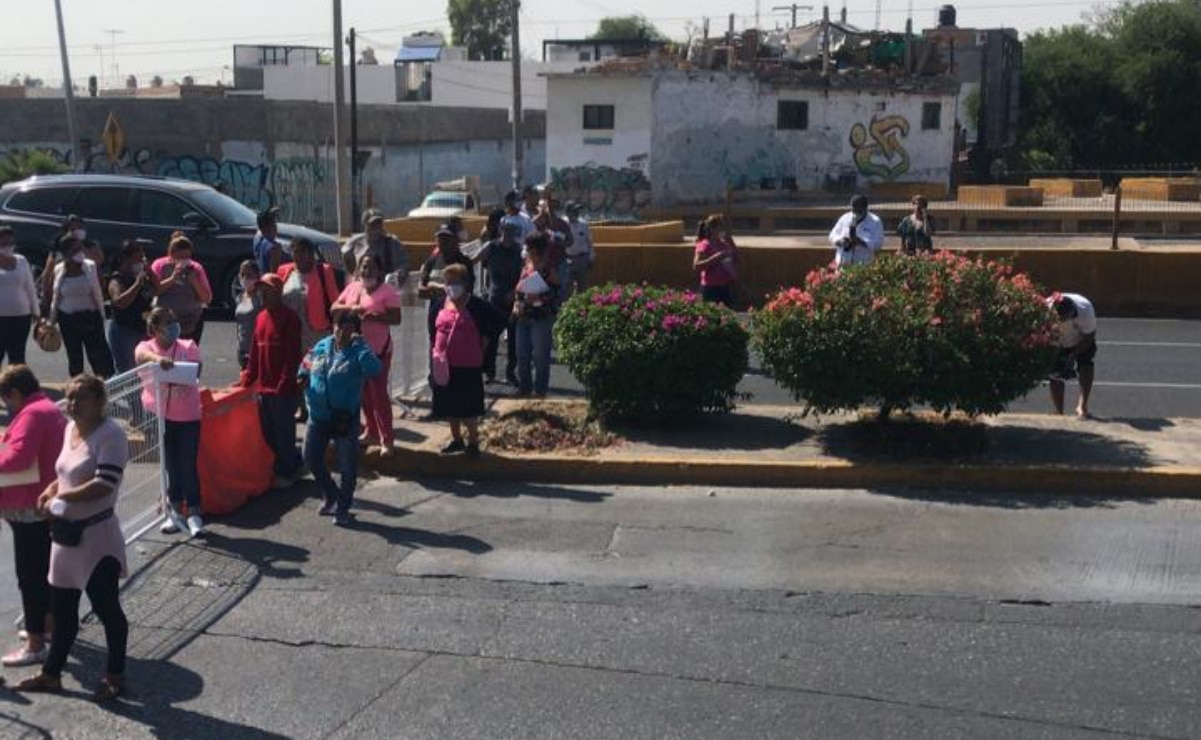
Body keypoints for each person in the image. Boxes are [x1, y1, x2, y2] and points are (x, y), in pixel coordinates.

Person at [15, 375, 129, 703]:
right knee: (62, 611)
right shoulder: (69, 429)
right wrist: (51, 490)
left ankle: (115, 674)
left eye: (80, 397)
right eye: (69, 397)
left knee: (108, 610)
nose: (73, 404)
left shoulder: (112, 434)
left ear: (99, 400)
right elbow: (65, 472)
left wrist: (63, 501)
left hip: (97, 539)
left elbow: (104, 482)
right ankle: (52, 673)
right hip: (66, 539)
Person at [0, 366, 66, 669]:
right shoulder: (47, 409)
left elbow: (18, 458)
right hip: (44, 503)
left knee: (30, 575)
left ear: (14, 394)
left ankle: (35, 642)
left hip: (29, 505)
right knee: (42, 570)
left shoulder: (31, 414)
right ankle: (47, 627)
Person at [299, 311, 381, 526]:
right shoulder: (322, 346)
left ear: (355, 331)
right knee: (310, 457)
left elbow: (375, 370)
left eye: (348, 327)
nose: (342, 330)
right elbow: (306, 363)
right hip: (318, 416)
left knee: (347, 466)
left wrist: (362, 347)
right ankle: (330, 494)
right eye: (338, 325)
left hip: (344, 418)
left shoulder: (359, 351)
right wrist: (302, 376)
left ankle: (343, 507)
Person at [135, 308, 204, 537]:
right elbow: (142, 357)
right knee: (170, 467)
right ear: (155, 329)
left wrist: (176, 369)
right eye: (167, 323)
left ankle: (194, 512)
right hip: (160, 416)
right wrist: (159, 360)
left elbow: (196, 371)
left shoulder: (188, 346)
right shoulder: (145, 348)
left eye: (174, 321)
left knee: (187, 466)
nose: (174, 325)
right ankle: (174, 512)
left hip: (188, 416)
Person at [237, 274, 306, 487]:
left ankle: (288, 471)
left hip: (282, 389)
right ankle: (290, 464)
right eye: (260, 291)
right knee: (268, 431)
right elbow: (255, 352)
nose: (262, 295)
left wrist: (285, 383)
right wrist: (248, 378)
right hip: (264, 387)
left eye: (266, 291)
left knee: (284, 431)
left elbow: (292, 355)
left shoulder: (290, 318)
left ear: (277, 292)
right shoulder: (261, 317)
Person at [432, 264, 506, 456]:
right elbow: (434, 327)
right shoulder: (441, 303)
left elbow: (499, 321)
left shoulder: (476, 305)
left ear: (466, 284)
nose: (452, 286)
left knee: (469, 406)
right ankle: (456, 440)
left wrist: (486, 340)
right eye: (448, 282)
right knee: (450, 404)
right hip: (445, 364)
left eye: (456, 282)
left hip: (468, 365)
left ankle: (473, 442)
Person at [332, 255, 402, 455]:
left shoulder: (388, 292)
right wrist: (352, 309)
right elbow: (334, 307)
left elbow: (396, 318)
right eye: (364, 267)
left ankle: (387, 440)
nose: (367, 271)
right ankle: (370, 431)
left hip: (378, 351)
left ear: (380, 271)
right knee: (363, 394)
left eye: (371, 267)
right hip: (354, 351)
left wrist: (375, 316)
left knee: (379, 395)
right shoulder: (354, 287)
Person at [278, 237, 340, 423]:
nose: (301, 257)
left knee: (317, 373)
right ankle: (302, 409)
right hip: (291, 333)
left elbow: (335, 302)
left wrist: (337, 330)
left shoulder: (323, 271)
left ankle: (321, 411)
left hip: (316, 333)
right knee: (296, 373)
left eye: (304, 252)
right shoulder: (285, 271)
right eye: (296, 252)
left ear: (311, 254)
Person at [50, 235, 114, 379]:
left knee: (98, 358)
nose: (80, 252)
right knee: (75, 360)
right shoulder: (59, 269)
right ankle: (78, 392)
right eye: (74, 250)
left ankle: (104, 389)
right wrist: (51, 321)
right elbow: (56, 296)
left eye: (80, 248)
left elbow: (100, 290)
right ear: (65, 254)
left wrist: (101, 314)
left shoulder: (90, 266)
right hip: (68, 320)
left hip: (91, 318)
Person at [475, 220, 524, 385]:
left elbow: (526, 273)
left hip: (513, 298)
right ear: (501, 230)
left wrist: (515, 291)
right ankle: (489, 372)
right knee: (491, 336)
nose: (509, 234)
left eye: (512, 231)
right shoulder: (491, 247)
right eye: (506, 230)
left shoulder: (519, 250)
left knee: (513, 338)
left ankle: (511, 373)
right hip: (495, 297)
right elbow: (472, 260)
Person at [513, 235, 561, 398]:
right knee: (522, 354)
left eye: (528, 248)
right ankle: (524, 388)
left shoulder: (548, 268)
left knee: (540, 356)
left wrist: (540, 298)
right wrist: (517, 304)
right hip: (523, 316)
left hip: (541, 317)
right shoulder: (526, 266)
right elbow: (519, 290)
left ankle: (540, 392)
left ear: (535, 249)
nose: (526, 250)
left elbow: (556, 292)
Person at [106, 240, 158, 374]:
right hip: (124, 330)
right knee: (126, 371)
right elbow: (120, 302)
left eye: (142, 258)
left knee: (142, 369)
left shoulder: (142, 276)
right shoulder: (117, 278)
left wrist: (149, 272)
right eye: (138, 258)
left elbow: (158, 289)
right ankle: (110, 392)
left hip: (142, 328)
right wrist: (137, 284)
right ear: (126, 259)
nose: (141, 261)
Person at [151, 233, 213, 343]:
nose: (184, 260)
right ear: (171, 254)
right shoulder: (160, 265)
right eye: (180, 257)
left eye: (187, 257)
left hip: (191, 322)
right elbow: (154, 291)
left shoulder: (196, 268)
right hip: (165, 322)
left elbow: (207, 298)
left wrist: (194, 281)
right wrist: (172, 279)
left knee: (188, 356)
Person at [418, 227, 475, 345]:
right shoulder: (432, 260)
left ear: (455, 241)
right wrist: (442, 288)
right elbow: (421, 291)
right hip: (435, 314)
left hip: (458, 317)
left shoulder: (464, 262)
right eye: (440, 239)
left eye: (446, 239)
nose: (443, 242)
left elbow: (467, 290)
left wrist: (434, 287)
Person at [1049, 292, 1098, 419]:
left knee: (1086, 363)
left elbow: (1089, 336)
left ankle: (1082, 405)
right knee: (1055, 373)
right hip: (1058, 340)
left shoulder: (1085, 309)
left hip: (1081, 338)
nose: (1062, 320)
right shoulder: (1045, 310)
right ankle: (1058, 411)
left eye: (1064, 318)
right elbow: (1047, 337)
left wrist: (1073, 355)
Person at [0, 224, 40, 367]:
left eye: (11, 243)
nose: (8, 246)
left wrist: (36, 312)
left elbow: (30, 288)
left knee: (17, 354)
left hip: (21, 316)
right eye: (4, 243)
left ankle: (17, 385)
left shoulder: (21, 260)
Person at [341, 210, 409, 286]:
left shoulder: (392, 242)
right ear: (365, 225)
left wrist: (398, 275)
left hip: (384, 286)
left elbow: (403, 265)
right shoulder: (356, 241)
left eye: (379, 224)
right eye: (372, 225)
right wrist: (353, 273)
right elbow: (345, 253)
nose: (376, 228)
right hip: (360, 285)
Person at [692, 215, 739, 307]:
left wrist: (733, 245)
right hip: (710, 289)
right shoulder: (705, 245)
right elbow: (696, 266)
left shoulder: (725, 244)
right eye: (720, 226)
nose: (723, 230)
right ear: (712, 228)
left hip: (725, 288)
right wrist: (717, 257)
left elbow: (736, 261)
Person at [829, 194, 884, 268]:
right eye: (853, 209)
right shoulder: (845, 218)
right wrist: (840, 241)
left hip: (862, 266)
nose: (855, 213)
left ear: (865, 208)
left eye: (859, 210)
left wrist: (861, 242)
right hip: (843, 264)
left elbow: (878, 244)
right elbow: (832, 235)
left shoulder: (875, 221)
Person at [234, 260, 264, 370]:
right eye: (243, 274)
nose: (245, 278)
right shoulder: (240, 297)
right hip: (242, 350)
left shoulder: (261, 298)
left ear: (257, 276)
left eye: (249, 275)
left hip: (257, 350)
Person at [562, 201, 595, 301]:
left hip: (582, 258)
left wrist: (591, 257)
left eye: (577, 210)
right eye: (574, 210)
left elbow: (589, 242)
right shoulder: (562, 224)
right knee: (567, 288)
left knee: (583, 288)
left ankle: (581, 311)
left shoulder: (583, 224)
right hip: (567, 259)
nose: (577, 213)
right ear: (567, 212)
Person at [252, 207, 284, 275]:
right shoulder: (274, 247)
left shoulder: (258, 239)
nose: (276, 226)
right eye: (273, 223)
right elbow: (274, 274)